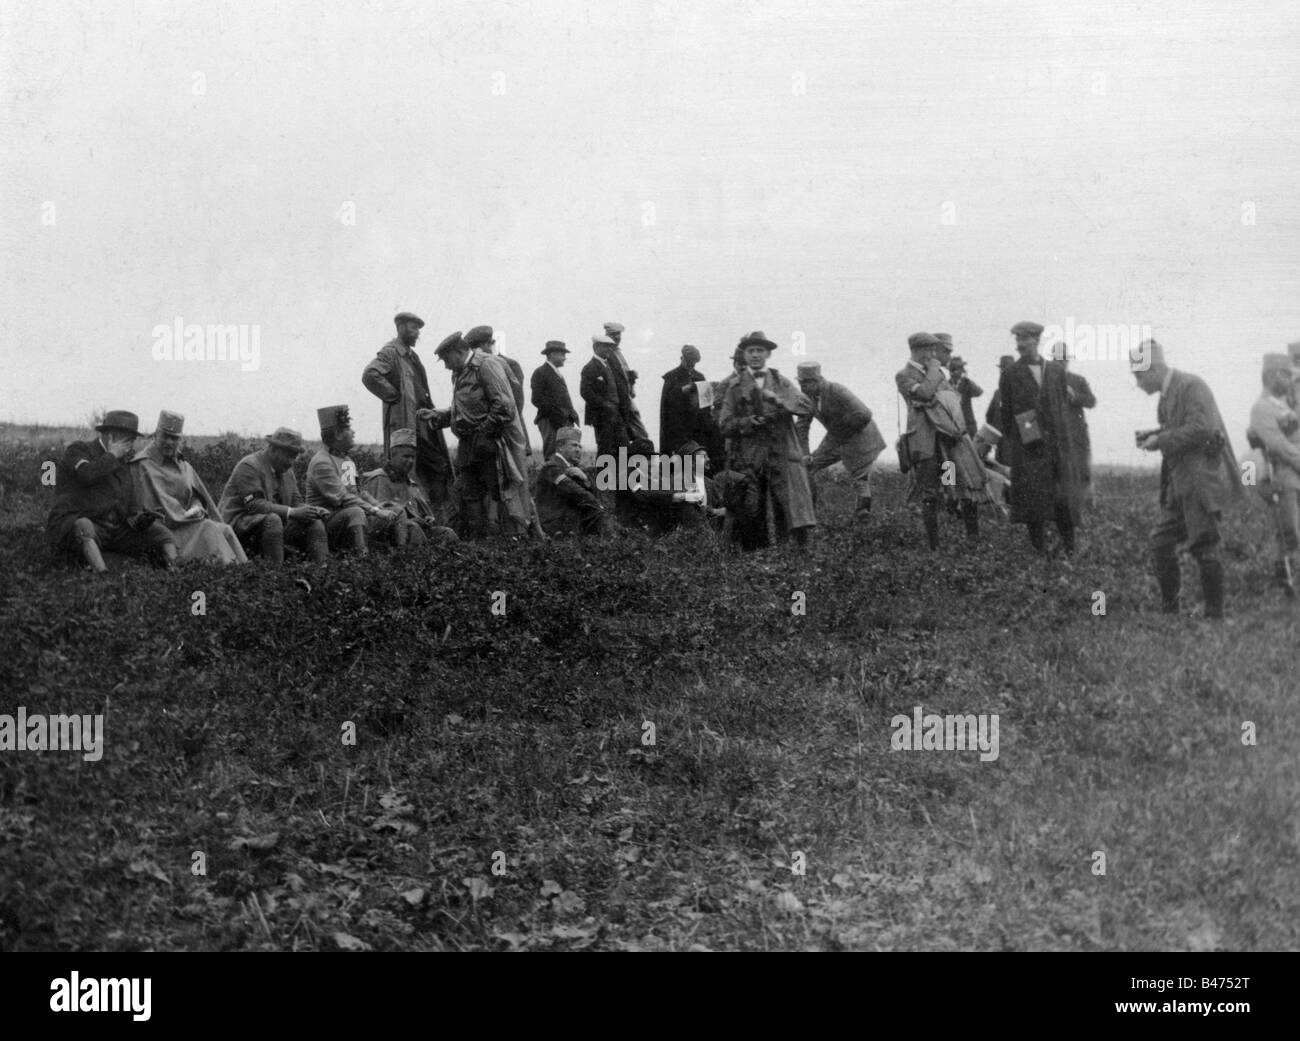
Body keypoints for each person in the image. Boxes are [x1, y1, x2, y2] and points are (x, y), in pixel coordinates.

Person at [1134, 339, 1239, 619]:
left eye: (1138, 375)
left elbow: (1203, 428)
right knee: (1159, 542)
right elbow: (1180, 429)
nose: (1137, 383)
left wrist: (1162, 439)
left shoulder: (1191, 386)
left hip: (1200, 482)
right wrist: (1154, 434)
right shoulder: (1167, 395)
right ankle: (1171, 611)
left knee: (1205, 545)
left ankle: (1214, 616)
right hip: (1179, 485)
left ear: (1154, 369)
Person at [717, 331, 817, 549]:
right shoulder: (734, 388)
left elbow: (807, 407)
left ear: (768, 354)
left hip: (781, 451)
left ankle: (793, 554)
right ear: (743, 355)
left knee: (790, 506)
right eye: (750, 351)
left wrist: (780, 401)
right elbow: (724, 424)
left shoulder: (781, 382)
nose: (755, 355)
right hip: (750, 456)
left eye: (759, 350)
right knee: (752, 509)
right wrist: (749, 422)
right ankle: (755, 558)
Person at [46, 410, 177, 573]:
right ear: (110, 436)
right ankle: (102, 576)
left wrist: (140, 519)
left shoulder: (124, 465)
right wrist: (112, 454)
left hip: (113, 531)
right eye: (126, 440)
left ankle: (176, 573)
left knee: (161, 533)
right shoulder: (79, 449)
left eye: (132, 440)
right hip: (76, 525)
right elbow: (86, 474)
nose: (130, 446)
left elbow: (130, 508)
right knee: (83, 526)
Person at [430, 331, 533, 538]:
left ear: (459, 352)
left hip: (490, 442)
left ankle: (511, 542)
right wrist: (439, 416)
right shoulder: (460, 373)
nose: (446, 366)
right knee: (470, 495)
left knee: (501, 494)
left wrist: (484, 433)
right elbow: (466, 410)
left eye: (447, 360)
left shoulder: (486, 365)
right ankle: (478, 546)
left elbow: (505, 405)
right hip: (469, 444)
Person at [998, 321, 1087, 554]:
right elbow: (1006, 415)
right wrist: (1022, 440)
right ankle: (1039, 552)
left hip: (1057, 448)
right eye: (1017, 340)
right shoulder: (1010, 374)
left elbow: (1062, 409)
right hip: (1028, 449)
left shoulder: (1056, 371)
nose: (1020, 345)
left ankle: (1069, 549)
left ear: (1036, 341)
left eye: (1025, 340)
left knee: (1063, 501)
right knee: (1032, 503)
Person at [361, 311, 456, 525]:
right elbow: (370, 375)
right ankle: (412, 521)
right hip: (405, 423)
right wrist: (394, 396)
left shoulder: (412, 356)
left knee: (437, 467)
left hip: (423, 425)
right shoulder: (390, 352)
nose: (417, 334)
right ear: (401, 327)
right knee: (408, 471)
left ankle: (435, 519)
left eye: (419, 329)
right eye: (414, 328)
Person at [895, 333, 984, 548]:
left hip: (946, 444)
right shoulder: (904, 375)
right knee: (929, 493)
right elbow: (925, 394)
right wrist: (935, 372)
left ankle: (973, 541)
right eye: (931, 350)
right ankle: (934, 546)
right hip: (925, 445)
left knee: (954, 484)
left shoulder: (936, 375)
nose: (934, 355)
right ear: (920, 350)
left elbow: (951, 399)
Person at [130, 410, 247, 564]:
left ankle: (244, 572)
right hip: (166, 530)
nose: (169, 442)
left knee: (225, 529)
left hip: (188, 522)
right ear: (156, 435)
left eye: (174, 438)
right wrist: (181, 515)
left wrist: (196, 506)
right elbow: (142, 508)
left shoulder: (184, 465)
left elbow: (196, 496)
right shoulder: (142, 465)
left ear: (180, 440)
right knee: (209, 528)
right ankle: (225, 571)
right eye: (165, 436)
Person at [218, 427, 330, 564]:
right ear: (272, 449)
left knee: (314, 521)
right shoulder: (249, 466)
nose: (291, 462)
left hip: (270, 528)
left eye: (294, 457)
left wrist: (313, 511)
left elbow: (296, 502)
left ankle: (322, 572)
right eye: (288, 455)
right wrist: (293, 512)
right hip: (237, 527)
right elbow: (254, 505)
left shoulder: (287, 472)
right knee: (273, 520)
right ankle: (275, 575)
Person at [795, 361, 887, 522]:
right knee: (807, 467)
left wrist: (840, 431)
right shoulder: (806, 399)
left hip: (861, 437)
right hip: (837, 439)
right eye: (800, 382)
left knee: (860, 477)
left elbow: (864, 414)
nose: (803, 387)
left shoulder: (836, 390)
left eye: (806, 383)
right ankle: (808, 516)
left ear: (817, 380)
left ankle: (863, 518)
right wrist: (805, 453)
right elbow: (802, 428)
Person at [306, 404, 399, 555]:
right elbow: (342, 498)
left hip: (348, 517)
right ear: (337, 434)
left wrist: (378, 505)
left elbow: (357, 492)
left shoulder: (346, 459)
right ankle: (362, 560)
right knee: (356, 512)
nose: (353, 432)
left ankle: (401, 555)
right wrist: (374, 511)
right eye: (349, 428)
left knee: (395, 509)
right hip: (324, 522)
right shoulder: (321, 462)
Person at [1246, 353, 1300, 594]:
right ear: (1270, 375)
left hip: (1294, 471)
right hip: (1282, 474)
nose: (1291, 379)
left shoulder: (1285, 404)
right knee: (1289, 531)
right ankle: (1286, 584)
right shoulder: (1261, 408)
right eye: (1285, 374)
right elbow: (1278, 444)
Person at [359, 428, 458, 549]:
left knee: (447, 533)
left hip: (414, 532)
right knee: (413, 528)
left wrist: (427, 519)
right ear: (392, 455)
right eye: (406, 456)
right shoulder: (378, 479)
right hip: (390, 537)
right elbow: (376, 520)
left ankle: (442, 563)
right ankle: (419, 561)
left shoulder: (411, 485)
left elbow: (425, 515)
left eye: (412, 457)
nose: (410, 461)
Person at [535, 426, 610, 537]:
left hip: (567, 521)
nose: (578, 450)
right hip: (554, 524)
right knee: (597, 513)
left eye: (580, 447)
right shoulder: (551, 467)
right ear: (560, 447)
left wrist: (585, 479)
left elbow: (588, 493)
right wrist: (598, 505)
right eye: (574, 445)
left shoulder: (572, 468)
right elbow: (574, 491)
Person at [659, 345, 724, 466]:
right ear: (681, 358)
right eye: (688, 362)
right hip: (677, 430)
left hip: (697, 429)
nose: (691, 365)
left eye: (693, 363)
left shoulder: (699, 377)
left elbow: (706, 406)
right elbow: (668, 406)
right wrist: (684, 390)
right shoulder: (671, 377)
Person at [1051, 342, 1099, 498]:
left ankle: (1085, 504)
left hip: (1076, 434)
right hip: (1055, 434)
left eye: (1064, 359)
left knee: (1081, 470)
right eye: (1059, 360)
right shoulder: (1046, 381)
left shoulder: (1078, 380)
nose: (1062, 362)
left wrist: (1074, 396)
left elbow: (1092, 401)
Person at [581, 333, 630, 458]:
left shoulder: (610, 366)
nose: (609, 350)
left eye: (610, 347)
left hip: (617, 414)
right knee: (605, 449)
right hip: (602, 416)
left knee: (623, 447)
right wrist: (604, 405)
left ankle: (621, 476)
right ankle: (603, 476)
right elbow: (585, 391)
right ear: (596, 348)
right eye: (605, 346)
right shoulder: (590, 367)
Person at [603, 321, 651, 442]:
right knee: (638, 434)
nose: (617, 337)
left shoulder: (618, 352)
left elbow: (623, 375)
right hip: (619, 401)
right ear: (607, 335)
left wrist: (631, 377)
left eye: (619, 334)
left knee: (635, 434)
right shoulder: (607, 353)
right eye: (613, 334)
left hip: (626, 398)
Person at [531, 341, 579, 458]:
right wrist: (555, 414)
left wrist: (572, 415)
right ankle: (552, 476)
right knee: (552, 453)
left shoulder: (557, 374)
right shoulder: (540, 372)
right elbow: (536, 399)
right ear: (552, 354)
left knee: (566, 454)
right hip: (550, 421)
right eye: (562, 355)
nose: (564, 358)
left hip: (563, 421)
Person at [934, 334, 983, 438]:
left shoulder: (966, 383)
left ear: (961, 370)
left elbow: (979, 392)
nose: (954, 373)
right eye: (952, 370)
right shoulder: (946, 384)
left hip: (969, 425)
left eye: (957, 369)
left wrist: (967, 379)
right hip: (954, 425)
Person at [984, 355, 1016, 466]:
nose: (1002, 373)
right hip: (1000, 447)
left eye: (1005, 370)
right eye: (1001, 370)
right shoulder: (998, 393)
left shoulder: (1022, 393)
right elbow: (989, 416)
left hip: (1017, 448)